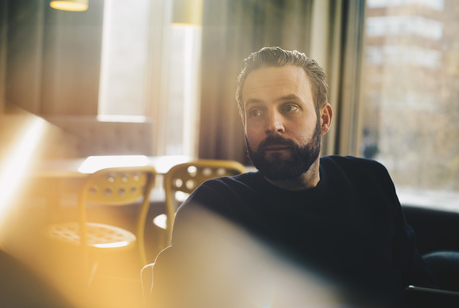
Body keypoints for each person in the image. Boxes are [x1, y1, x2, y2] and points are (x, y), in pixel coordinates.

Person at [147, 47, 437, 308]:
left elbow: (423, 289)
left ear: (323, 119)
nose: (273, 125)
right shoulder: (214, 208)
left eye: (289, 107)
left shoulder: (370, 182)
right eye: (256, 111)